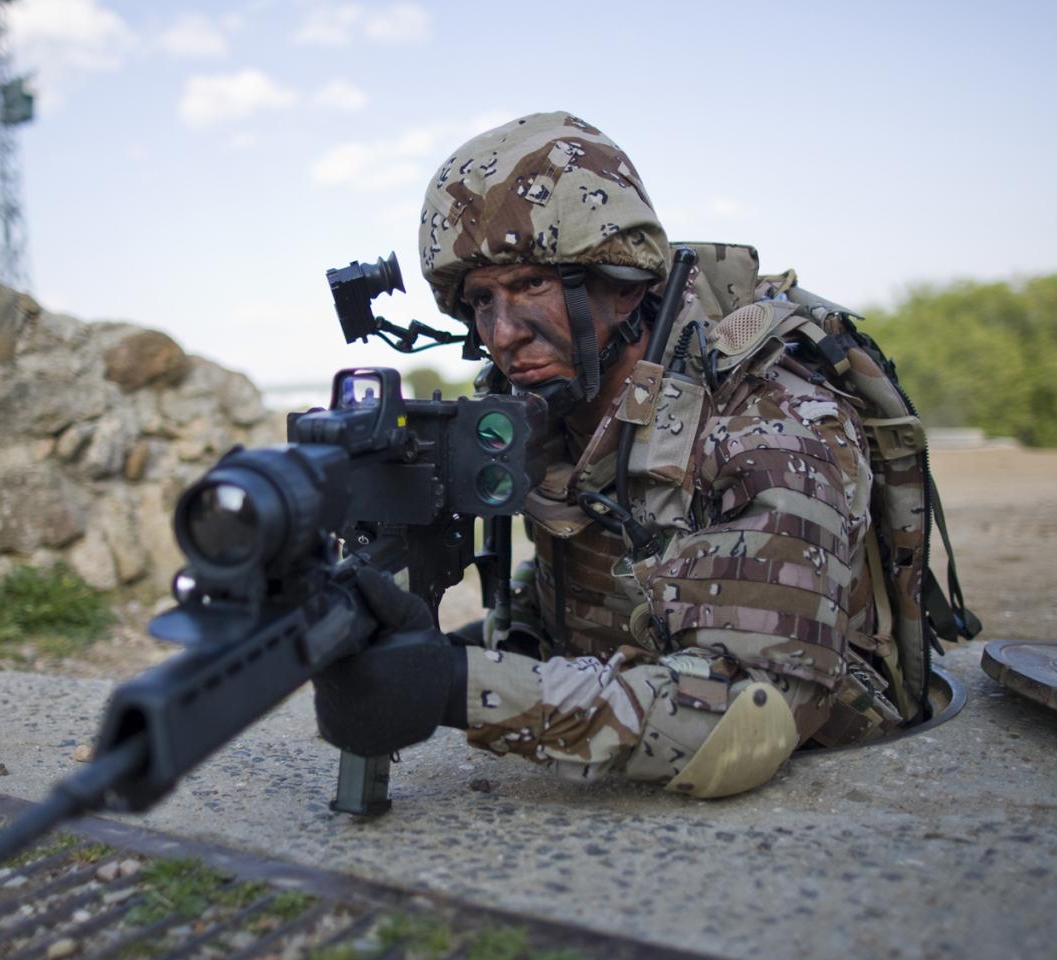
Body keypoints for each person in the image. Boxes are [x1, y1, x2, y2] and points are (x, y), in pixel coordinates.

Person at [313, 111, 907, 799]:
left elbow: (755, 712)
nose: (503, 334)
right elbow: (586, 606)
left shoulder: (768, 422)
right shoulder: (561, 408)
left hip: (824, 784)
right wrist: (428, 655)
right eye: (481, 300)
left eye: (533, 285)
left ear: (624, 281)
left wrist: (456, 689)